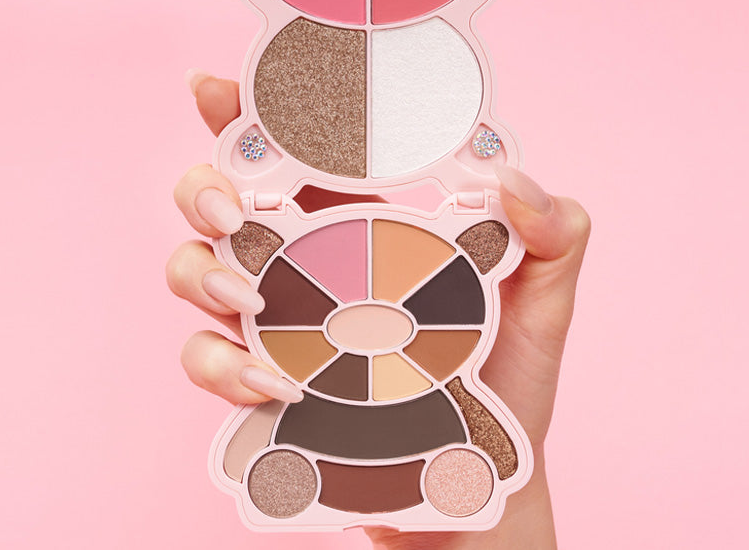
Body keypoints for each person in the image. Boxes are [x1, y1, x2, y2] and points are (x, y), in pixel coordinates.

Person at [167, 71, 591, 550]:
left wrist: (499, 517)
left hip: (440, 461)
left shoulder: (453, 381)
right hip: (313, 450)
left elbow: (501, 464)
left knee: (458, 472)